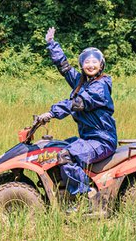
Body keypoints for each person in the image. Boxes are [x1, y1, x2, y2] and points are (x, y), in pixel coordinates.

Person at [38, 27, 117, 197]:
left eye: (95, 61)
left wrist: (52, 113)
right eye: (86, 62)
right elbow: (65, 67)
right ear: (82, 65)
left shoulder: (100, 87)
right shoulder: (82, 82)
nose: (91, 65)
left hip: (102, 140)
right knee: (54, 148)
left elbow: (77, 103)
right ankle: (61, 189)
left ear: (101, 64)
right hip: (88, 138)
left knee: (66, 156)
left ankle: (85, 195)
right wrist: (52, 44)